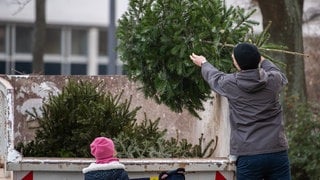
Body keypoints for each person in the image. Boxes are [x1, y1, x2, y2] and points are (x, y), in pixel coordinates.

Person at [190, 42, 291, 180]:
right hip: (277, 152)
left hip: (248, 155)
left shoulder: (230, 83)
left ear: (237, 65)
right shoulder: (274, 80)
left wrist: (204, 63)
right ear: (257, 59)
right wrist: (262, 59)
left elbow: (214, 77)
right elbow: (279, 73)